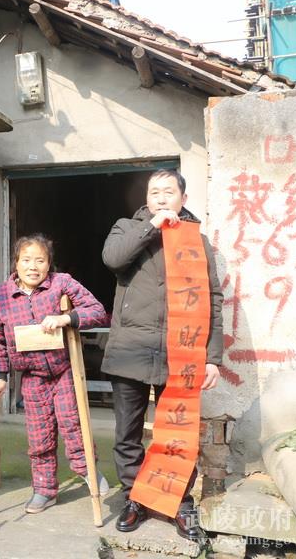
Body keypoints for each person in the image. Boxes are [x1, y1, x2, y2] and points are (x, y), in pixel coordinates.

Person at [101, 169, 223, 541]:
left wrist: (213, 357)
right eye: (154, 192)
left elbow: (213, 298)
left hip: (180, 354)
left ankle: (180, 502)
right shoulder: (126, 227)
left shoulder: (196, 241)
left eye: (169, 191)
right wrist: (152, 226)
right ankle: (135, 498)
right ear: (147, 199)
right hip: (131, 350)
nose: (161, 197)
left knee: (179, 433)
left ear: (183, 198)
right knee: (128, 433)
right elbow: (113, 259)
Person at [0, 234, 110, 514]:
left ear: (49, 263)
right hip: (32, 376)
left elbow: (97, 311)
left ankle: (88, 470)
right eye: (26, 260)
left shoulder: (60, 283)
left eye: (40, 260)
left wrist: (66, 318)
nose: (33, 266)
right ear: (16, 263)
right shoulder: (1, 296)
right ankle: (44, 489)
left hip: (64, 370)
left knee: (72, 424)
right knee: (39, 435)